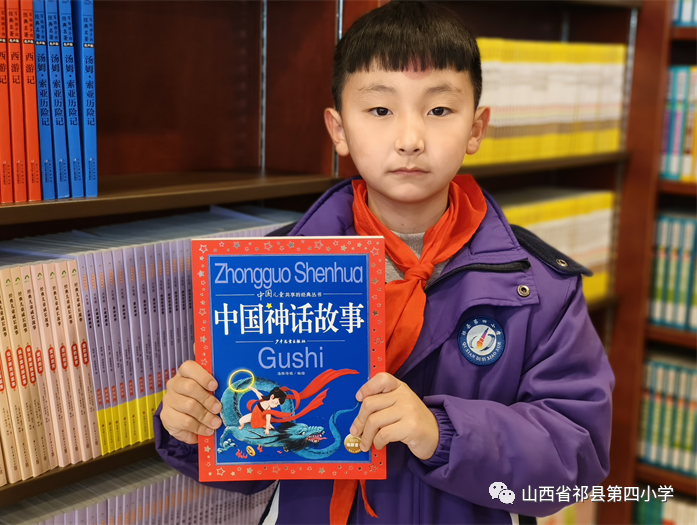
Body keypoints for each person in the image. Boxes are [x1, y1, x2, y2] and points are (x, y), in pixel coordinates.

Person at [155, 1, 614, 524]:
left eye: (439, 110)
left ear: (477, 128)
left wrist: (440, 431)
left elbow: (576, 455)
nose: (410, 140)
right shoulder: (271, 271)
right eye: (379, 110)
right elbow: (252, 454)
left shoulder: (538, 286)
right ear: (338, 129)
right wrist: (193, 423)